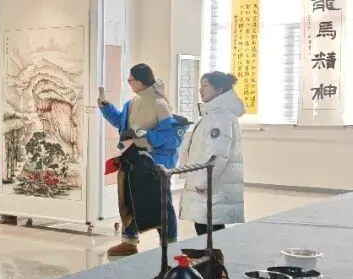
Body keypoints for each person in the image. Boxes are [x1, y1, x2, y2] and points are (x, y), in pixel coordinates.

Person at [99, 63, 188, 258]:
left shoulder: (159, 104)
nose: (129, 83)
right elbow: (121, 122)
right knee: (128, 199)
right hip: (131, 157)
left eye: (130, 79)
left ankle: (169, 242)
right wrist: (106, 108)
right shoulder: (132, 102)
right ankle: (128, 241)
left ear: (140, 81)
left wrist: (146, 136)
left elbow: (171, 137)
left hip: (155, 161)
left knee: (161, 203)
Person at [179, 71, 245, 235]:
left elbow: (218, 153)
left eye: (206, 85)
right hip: (208, 184)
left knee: (208, 229)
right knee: (207, 228)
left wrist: (204, 181)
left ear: (219, 89)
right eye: (200, 86)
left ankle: (214, 253)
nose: (201, 90)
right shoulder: (213, 115)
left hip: (211, 186)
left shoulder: (220, 117)